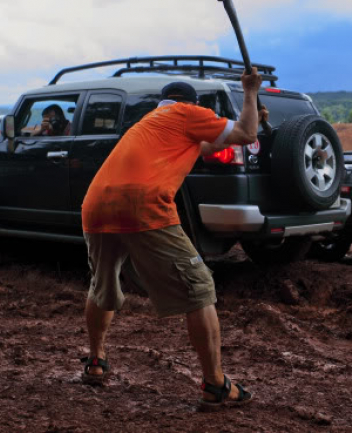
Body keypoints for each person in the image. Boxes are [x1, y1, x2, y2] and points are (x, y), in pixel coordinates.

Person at [79, 69, 268, 409]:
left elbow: (222, 141)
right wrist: (250, 93)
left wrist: (249, 119)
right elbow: (245, 132)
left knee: (102, 285)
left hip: (96, 205)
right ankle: (216, 385)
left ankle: (95, 360)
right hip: (141, 204)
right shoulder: (187, 113)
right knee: (199, 288)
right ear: (191, 104)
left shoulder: (151, 122)